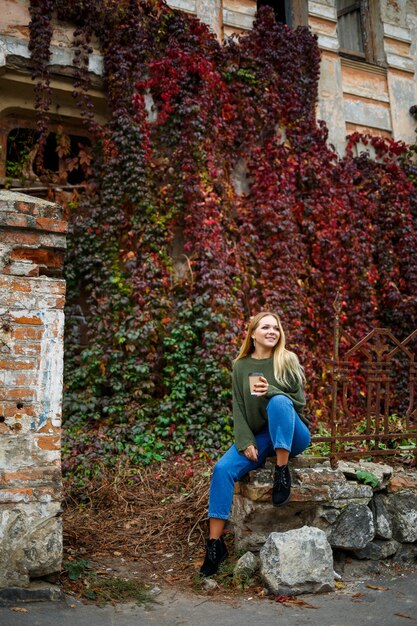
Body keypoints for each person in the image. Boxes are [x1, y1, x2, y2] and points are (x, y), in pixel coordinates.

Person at [200, 311, 311, 577]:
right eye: (266, 327)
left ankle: (281, 472)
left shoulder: (287, 359)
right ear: (252, 333)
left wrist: (271, 390)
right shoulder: (240, 366)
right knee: (222, 469)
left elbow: (298, 402)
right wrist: (245, 440)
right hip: (262, 437)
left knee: (279, 402)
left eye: (276, 327)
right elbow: (238, 407)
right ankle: (215, 545)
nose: (272, 331)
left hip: (292, 433)